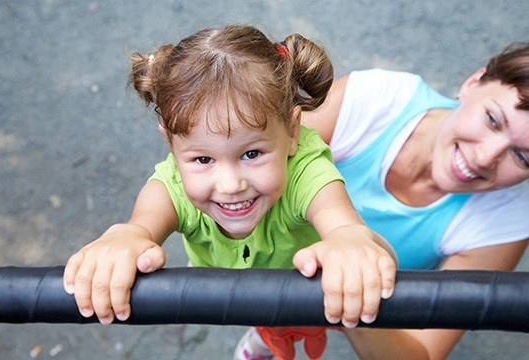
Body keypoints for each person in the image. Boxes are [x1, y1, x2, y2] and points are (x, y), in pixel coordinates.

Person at [61, 25, 397, 359]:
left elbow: (340, 222)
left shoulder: (307, 171)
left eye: (251, 154)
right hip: (246, 285)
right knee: (267, 325)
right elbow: (140, 227)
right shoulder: (172, 185)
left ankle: (268, 339)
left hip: (308, 288)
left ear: (293, 132)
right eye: (203, 159)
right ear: (171, 145)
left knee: (344, 302)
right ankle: (263, 340)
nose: (230, 185)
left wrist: (349, 241)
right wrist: (124, 239)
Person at [296, 41, 529, 359]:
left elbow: (421, 354)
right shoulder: (374, 99)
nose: (485, 157)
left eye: (522, 157)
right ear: (473, 84)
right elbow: (259, 164)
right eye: (492, 119)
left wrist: (351, 287)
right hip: (276, 247)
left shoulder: (506, 220)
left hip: (356, 297)